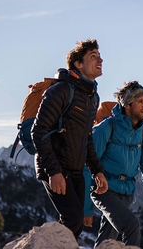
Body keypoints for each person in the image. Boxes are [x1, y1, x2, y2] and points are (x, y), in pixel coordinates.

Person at [32, 39, 108, 240]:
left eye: (99, 55)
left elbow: (87, 137)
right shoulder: (61, 90)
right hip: (56, 166)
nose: (100, 59)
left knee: (74, 223)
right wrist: (54, 171)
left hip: (76, 170)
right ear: (78, 64)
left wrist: (97, 170)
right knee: (73, 219)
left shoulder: (92, 97)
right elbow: (38, 132)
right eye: (93, 56)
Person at [83, 81, 143, 248]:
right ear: (127, 104)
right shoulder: (106, 128)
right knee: (131, 226)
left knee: (108, 240)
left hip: (126, 193)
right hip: (103, 189)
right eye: (140, 102)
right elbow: (87, 165)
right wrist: (86, 208)